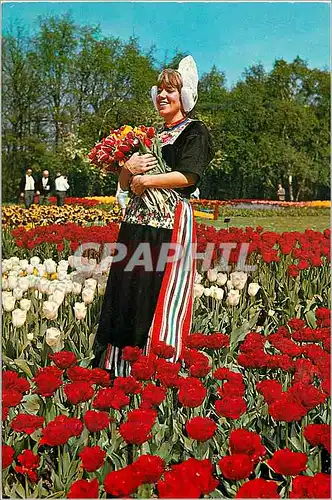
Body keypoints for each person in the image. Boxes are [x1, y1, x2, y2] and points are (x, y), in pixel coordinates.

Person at [93, 56, 213, 376]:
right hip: (135, 222)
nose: (162, 96)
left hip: (168, 221)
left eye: (170, 91)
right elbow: (125, 183)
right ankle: (118, 367)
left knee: (154, 288)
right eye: (159, 90)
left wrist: (147, 181)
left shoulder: (195, 132)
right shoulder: (150, 136)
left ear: (184, 97)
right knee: (128, 286)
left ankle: (154, 366)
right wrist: (126, 170)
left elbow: (188, 177)